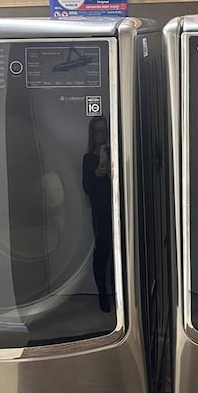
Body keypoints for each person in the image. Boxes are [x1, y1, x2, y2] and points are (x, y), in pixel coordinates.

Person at [82, 116, 113, 312]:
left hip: (120, 211)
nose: (100, 134)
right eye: (97, 130)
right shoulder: (88, 159)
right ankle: (102, 293)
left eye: (103, 130)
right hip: (100, 213)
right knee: (102, 253)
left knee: (123, 255)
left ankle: (120, 292)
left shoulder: (118, 153)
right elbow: (87, 188)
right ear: (92, 134)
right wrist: (97, 172)